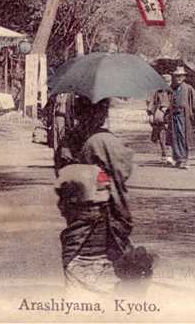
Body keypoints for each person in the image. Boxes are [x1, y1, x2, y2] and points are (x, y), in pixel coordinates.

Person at [55, 99, 139, 291]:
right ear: (101, 112)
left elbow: (61, 174)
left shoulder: (69, 139)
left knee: (77, 264)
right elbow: (122, 169)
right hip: (101, 215)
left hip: (76, 214)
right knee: (99, 266)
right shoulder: (102, 140)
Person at [168, 66, 195, 169]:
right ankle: (177, 158)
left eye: (180, 76)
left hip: (184, 115)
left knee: (183, 136)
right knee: (174, 136)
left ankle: (184, 159)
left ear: (184, 77)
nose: (178, 78)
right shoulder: (172, 88)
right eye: (176, 76)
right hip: (173, 115)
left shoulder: (188, 88)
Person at [146, 74, 172, 164]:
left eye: (168, 82)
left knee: (170, 135)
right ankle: (164, 154)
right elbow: (152, 103)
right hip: (159, 116)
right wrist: (150, 114)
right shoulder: (157, 92)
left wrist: (168, 107)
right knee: (161, 136)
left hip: (170, 116)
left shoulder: (173, 92)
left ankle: (169, 155)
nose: (167, 84)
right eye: (165, 82)